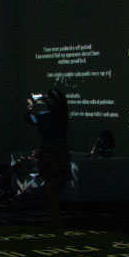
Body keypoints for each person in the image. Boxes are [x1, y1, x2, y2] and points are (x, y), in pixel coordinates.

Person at [27, 87, 72, 230]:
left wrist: (30, 105)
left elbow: (30, 120)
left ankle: (54, 220)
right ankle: (55, 219)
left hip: (49, 155)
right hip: (60, 154)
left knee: (50, 189)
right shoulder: (63, 116)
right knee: (56, 190)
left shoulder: (45, 116)